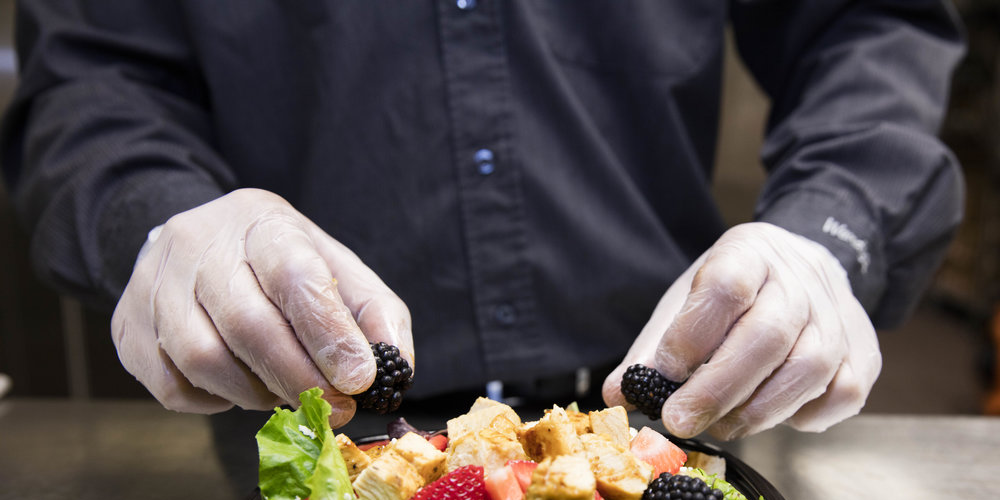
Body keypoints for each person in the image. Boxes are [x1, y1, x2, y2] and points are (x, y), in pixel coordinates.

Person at [0, 1, 965, 442]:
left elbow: (865, 21)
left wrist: (823, 234)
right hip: (306, 427)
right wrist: (167, 224)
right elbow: (91, 80)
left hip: (670, 420)